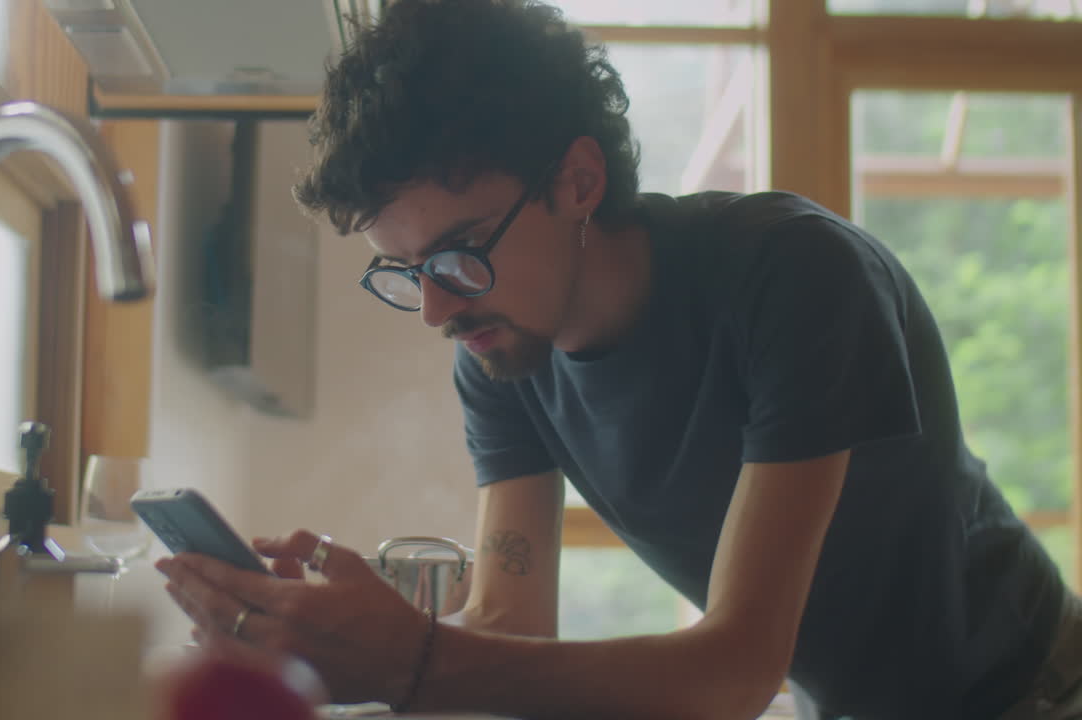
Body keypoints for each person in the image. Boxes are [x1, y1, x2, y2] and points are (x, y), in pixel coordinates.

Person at [155, 1, 1081, 718]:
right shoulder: (501, 355)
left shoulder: (795, 276)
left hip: (1030, 687)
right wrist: (337, 640)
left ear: (579, 180)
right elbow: (510, 625)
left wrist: (408, 661)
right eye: (406, 272)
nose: (436, 307)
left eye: (458, 253)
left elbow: (736, 670)